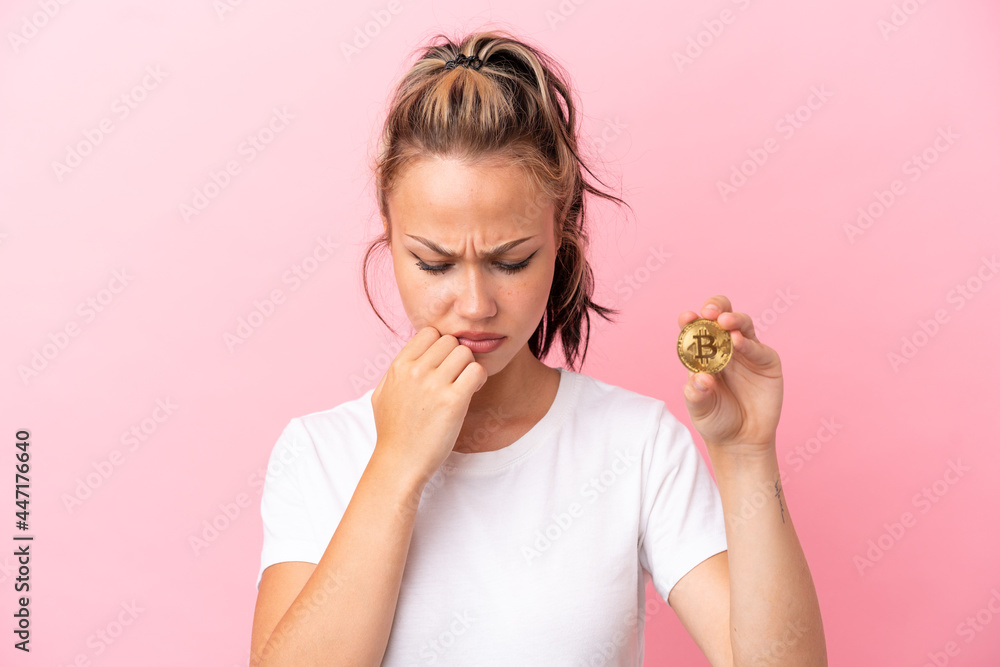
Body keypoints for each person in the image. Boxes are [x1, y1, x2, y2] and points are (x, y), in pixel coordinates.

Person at [249, 28, 827, 666]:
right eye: (434, 264)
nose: (474, 304)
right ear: (389, 239)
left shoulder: (634, 443)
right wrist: (395, 466)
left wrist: (747, 456)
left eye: (512, 260)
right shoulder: (319, 454)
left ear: (562, 235)